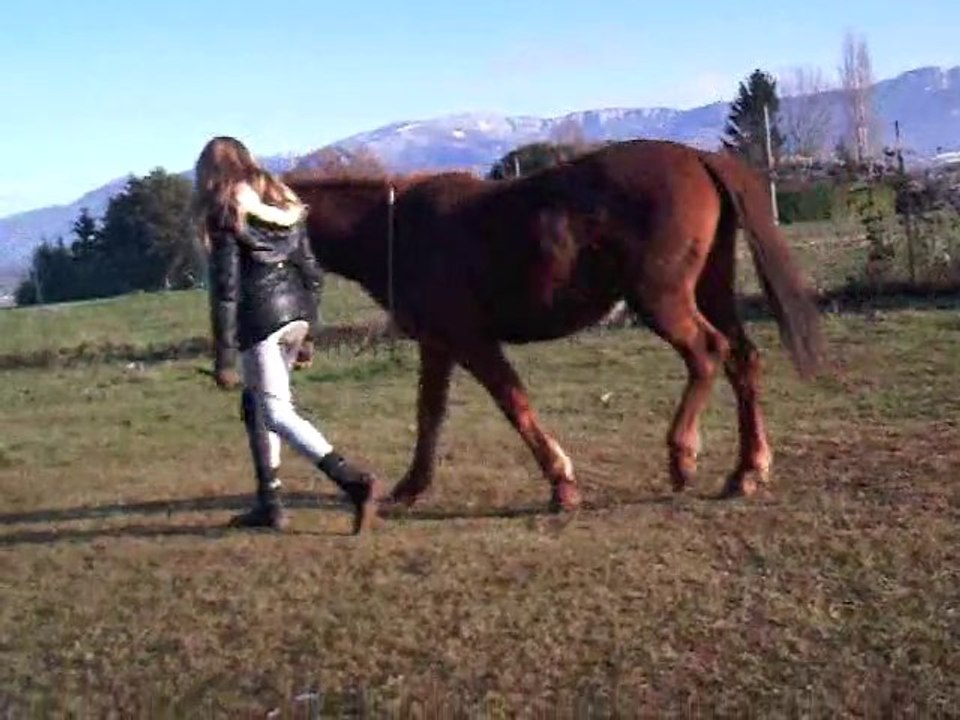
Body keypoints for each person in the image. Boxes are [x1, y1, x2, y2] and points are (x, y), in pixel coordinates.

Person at [192, 135, 382, 533]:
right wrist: (309, 331)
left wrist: (224, 357)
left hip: (260, 321)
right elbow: (311, 271)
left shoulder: (226, 209)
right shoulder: (282, 203)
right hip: (293, 317)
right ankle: (269, 502)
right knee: (255, 405)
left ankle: (354, 482)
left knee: (276, 413)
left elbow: (226, 288)